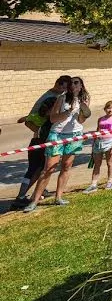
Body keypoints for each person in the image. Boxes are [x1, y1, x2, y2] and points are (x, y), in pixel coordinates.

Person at [24, 76, 89, 212]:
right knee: (49, 168)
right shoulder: (62, 98)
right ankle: (34, 201)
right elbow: (53, 118)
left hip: (74, 135)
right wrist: (68, 112)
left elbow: (81, 121)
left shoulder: (84, 99)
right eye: (71, 83)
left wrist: (83, 112)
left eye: (76, 83)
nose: (73, 85)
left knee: (66, 166)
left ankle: (58, 197)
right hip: (57, 135)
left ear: (81, 86)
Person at [10, 75, 71, 210]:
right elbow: (31, 120)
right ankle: (20, 198)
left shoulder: (54, 96)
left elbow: (29, 118)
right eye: (63, 86)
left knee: (36, 169)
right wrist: (38, 130)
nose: (64, 89)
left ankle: (37, 191)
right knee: (38, 170)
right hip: (42, 140)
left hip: (39, 139)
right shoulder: (51, 99)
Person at [83, 100, 112, 193]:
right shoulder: (101, 119)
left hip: (109, 142)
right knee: (97, 164)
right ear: (105, 109)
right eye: (108, 108)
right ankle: (93, 184)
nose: (110, 110)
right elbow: (97, 131)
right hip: (99, 142)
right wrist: (94, 143)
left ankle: (110, 181)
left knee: (109, 162)